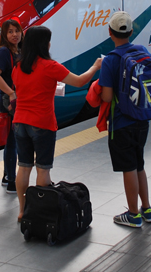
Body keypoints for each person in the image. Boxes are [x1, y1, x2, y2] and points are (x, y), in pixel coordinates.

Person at [12, 26, 101, 221]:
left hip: (19, 122)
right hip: (41, 123)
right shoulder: (49, 66)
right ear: (44, 44)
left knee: (24, 167)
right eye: (48, 40)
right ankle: (40, 212)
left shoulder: (18, 67)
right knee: (43, 169)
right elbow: (79, 82)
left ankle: (22, 210)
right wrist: (95, 67)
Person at [99, 11, 151, 228]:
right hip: (142, 119)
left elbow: (105, 96)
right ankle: (147, 209)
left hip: (122, 122)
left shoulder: (111, 60)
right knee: (139, 163)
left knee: (129, 167)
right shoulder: (142, 50)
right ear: (132, 32)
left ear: (109, 33)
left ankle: (133, 214)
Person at [0, 19, 22, 193]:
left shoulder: (18, 50)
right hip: (8, 101)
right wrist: (11, 93)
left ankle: (6, 176)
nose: (14, 35)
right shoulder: (4, 52)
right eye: (10, 32)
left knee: (11, 140)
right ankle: (11, 181)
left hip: (14, 100)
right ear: (4, 34)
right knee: (12, 141)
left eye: (17, 31)